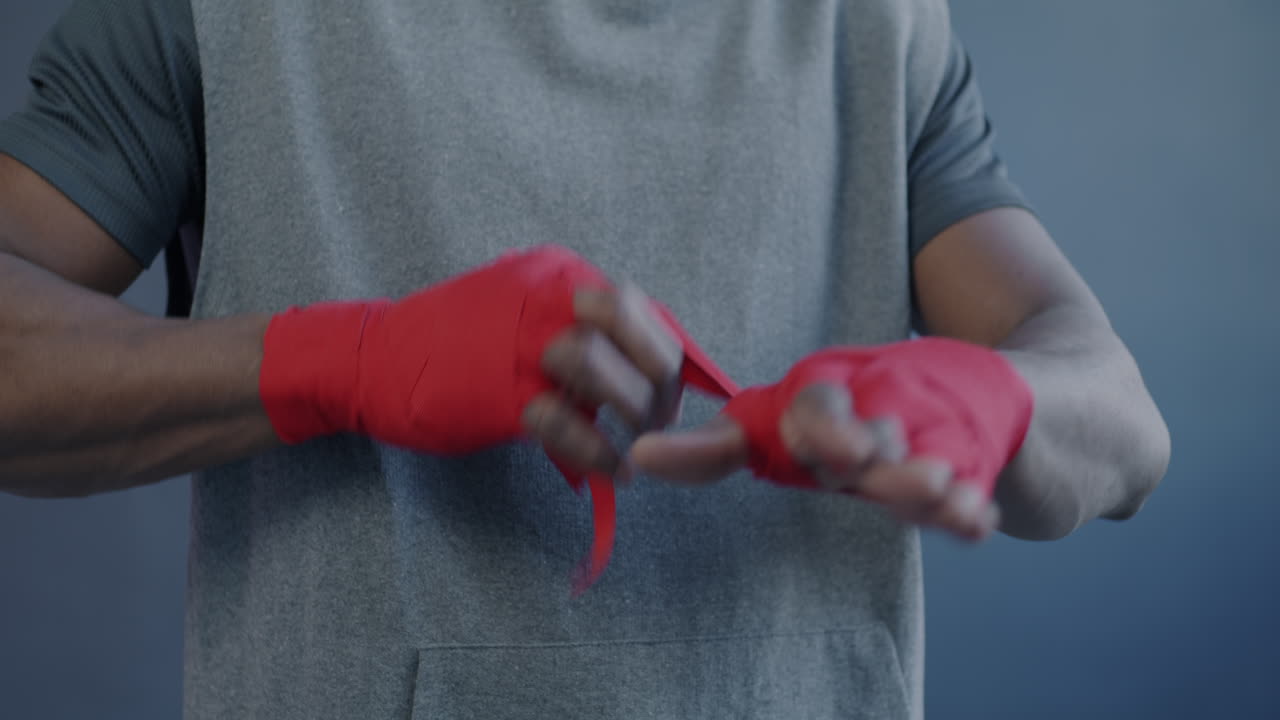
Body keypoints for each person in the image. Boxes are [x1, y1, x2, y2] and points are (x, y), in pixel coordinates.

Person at [0, 0, 1170, 717]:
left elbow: (1118, 420)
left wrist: (992, 403)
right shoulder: (213, 12)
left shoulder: (872, 21)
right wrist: (342, 360)